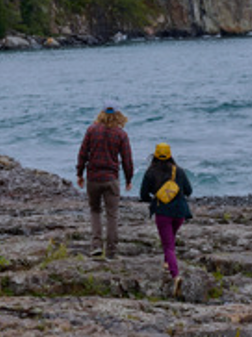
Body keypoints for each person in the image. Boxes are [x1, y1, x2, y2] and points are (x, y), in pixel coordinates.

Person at [76, 106, 134, 259]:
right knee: (112, 215)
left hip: (93, 178)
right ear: (118, 115)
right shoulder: (121, 134)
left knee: (95, 211)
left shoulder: (91, 130)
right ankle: (111, 251)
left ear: (101, 114)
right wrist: (129, 179)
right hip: (111, 179)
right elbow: (127, 160)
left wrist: (79, 174)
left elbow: (82, 154)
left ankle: (96, 245)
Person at [139, 142, 193, 297]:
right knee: (170, 238)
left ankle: (175, 276)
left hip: (163, 212)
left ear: (155, 155)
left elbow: (143, 195)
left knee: (168, 245)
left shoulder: (150, 172)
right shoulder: (179, 171)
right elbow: (189, 191)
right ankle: (166, 262)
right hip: (180, 213)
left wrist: (155, 197)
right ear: (170, 155)